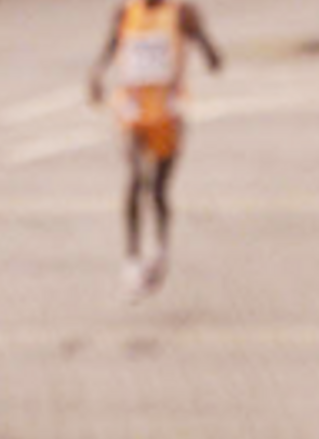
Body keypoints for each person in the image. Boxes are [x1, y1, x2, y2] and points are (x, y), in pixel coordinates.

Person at [87, 0, 223, 302]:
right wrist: (96, 75)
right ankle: (132, 259)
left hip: (168, 112)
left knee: (160, 187)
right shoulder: (125, 13)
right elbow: (110, 48)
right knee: (136, 178)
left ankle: (160, 249)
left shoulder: (181, 13)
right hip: (133, 111)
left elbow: (213, 57)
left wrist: (204, 43)